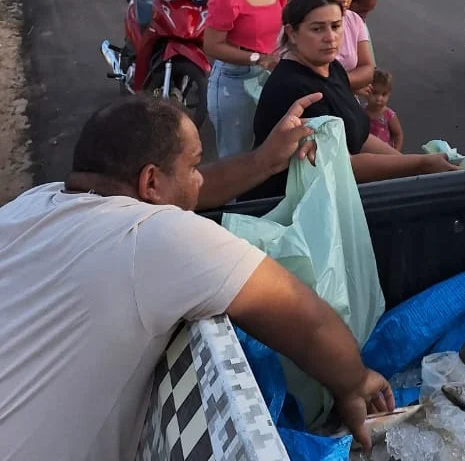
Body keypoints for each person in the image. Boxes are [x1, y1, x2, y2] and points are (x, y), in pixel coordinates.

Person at [0, 92, 395, 461]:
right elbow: (304, 318)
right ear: (151, 182)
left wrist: (265, 160)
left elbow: (185, 192)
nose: (201, 178)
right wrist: (354, 382)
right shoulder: (151, 239)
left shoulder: (32, 205)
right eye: (194, 166)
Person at [246, 0, 458, 199]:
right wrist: (420, 164)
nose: (330, 38)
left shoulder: (332, 68)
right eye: (317, 29)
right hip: (286, 208)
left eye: (336, 26)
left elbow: (359, 135)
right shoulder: (294, 88)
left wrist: (405, 165)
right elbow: (344, 164)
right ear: (292, 33)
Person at [204, 0, 288, 159]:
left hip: (266, 78)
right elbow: (212, 46)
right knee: (236, 158)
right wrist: (258, 58)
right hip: (234, 82)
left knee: (264, 150)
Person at [316, 0, 375, 94]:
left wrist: (336, 83)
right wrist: (352, 84)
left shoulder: (355, 21)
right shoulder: (303, 22)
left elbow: (367, 69)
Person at [367, 69, 403, 150]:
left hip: (384, 152)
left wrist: (396, 153)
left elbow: (398, 135)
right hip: (366, 151)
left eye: (384, 94)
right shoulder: (362, 111)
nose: (379, 98)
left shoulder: (389, 115)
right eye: (374, 93)